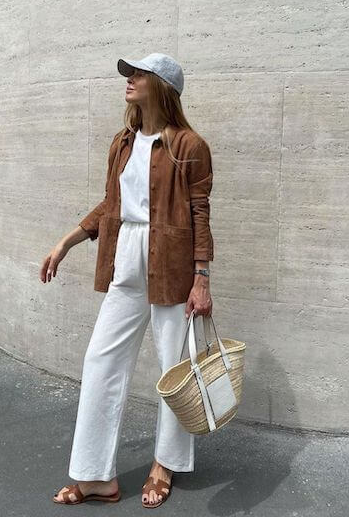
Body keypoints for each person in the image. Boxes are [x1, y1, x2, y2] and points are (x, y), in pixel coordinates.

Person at [40, 52, 214, 508]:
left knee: (172, 369)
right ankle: (95, 476)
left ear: (162, 85)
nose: (129, 80)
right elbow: (110, 206)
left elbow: (200, 214)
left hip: (173, 264)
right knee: (101, 361)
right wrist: (67, 241)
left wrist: (202, 278)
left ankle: (165, 464)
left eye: (139, 74)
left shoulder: (188, 145)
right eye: (130, 74)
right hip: (125, 259)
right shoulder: (122, 142)